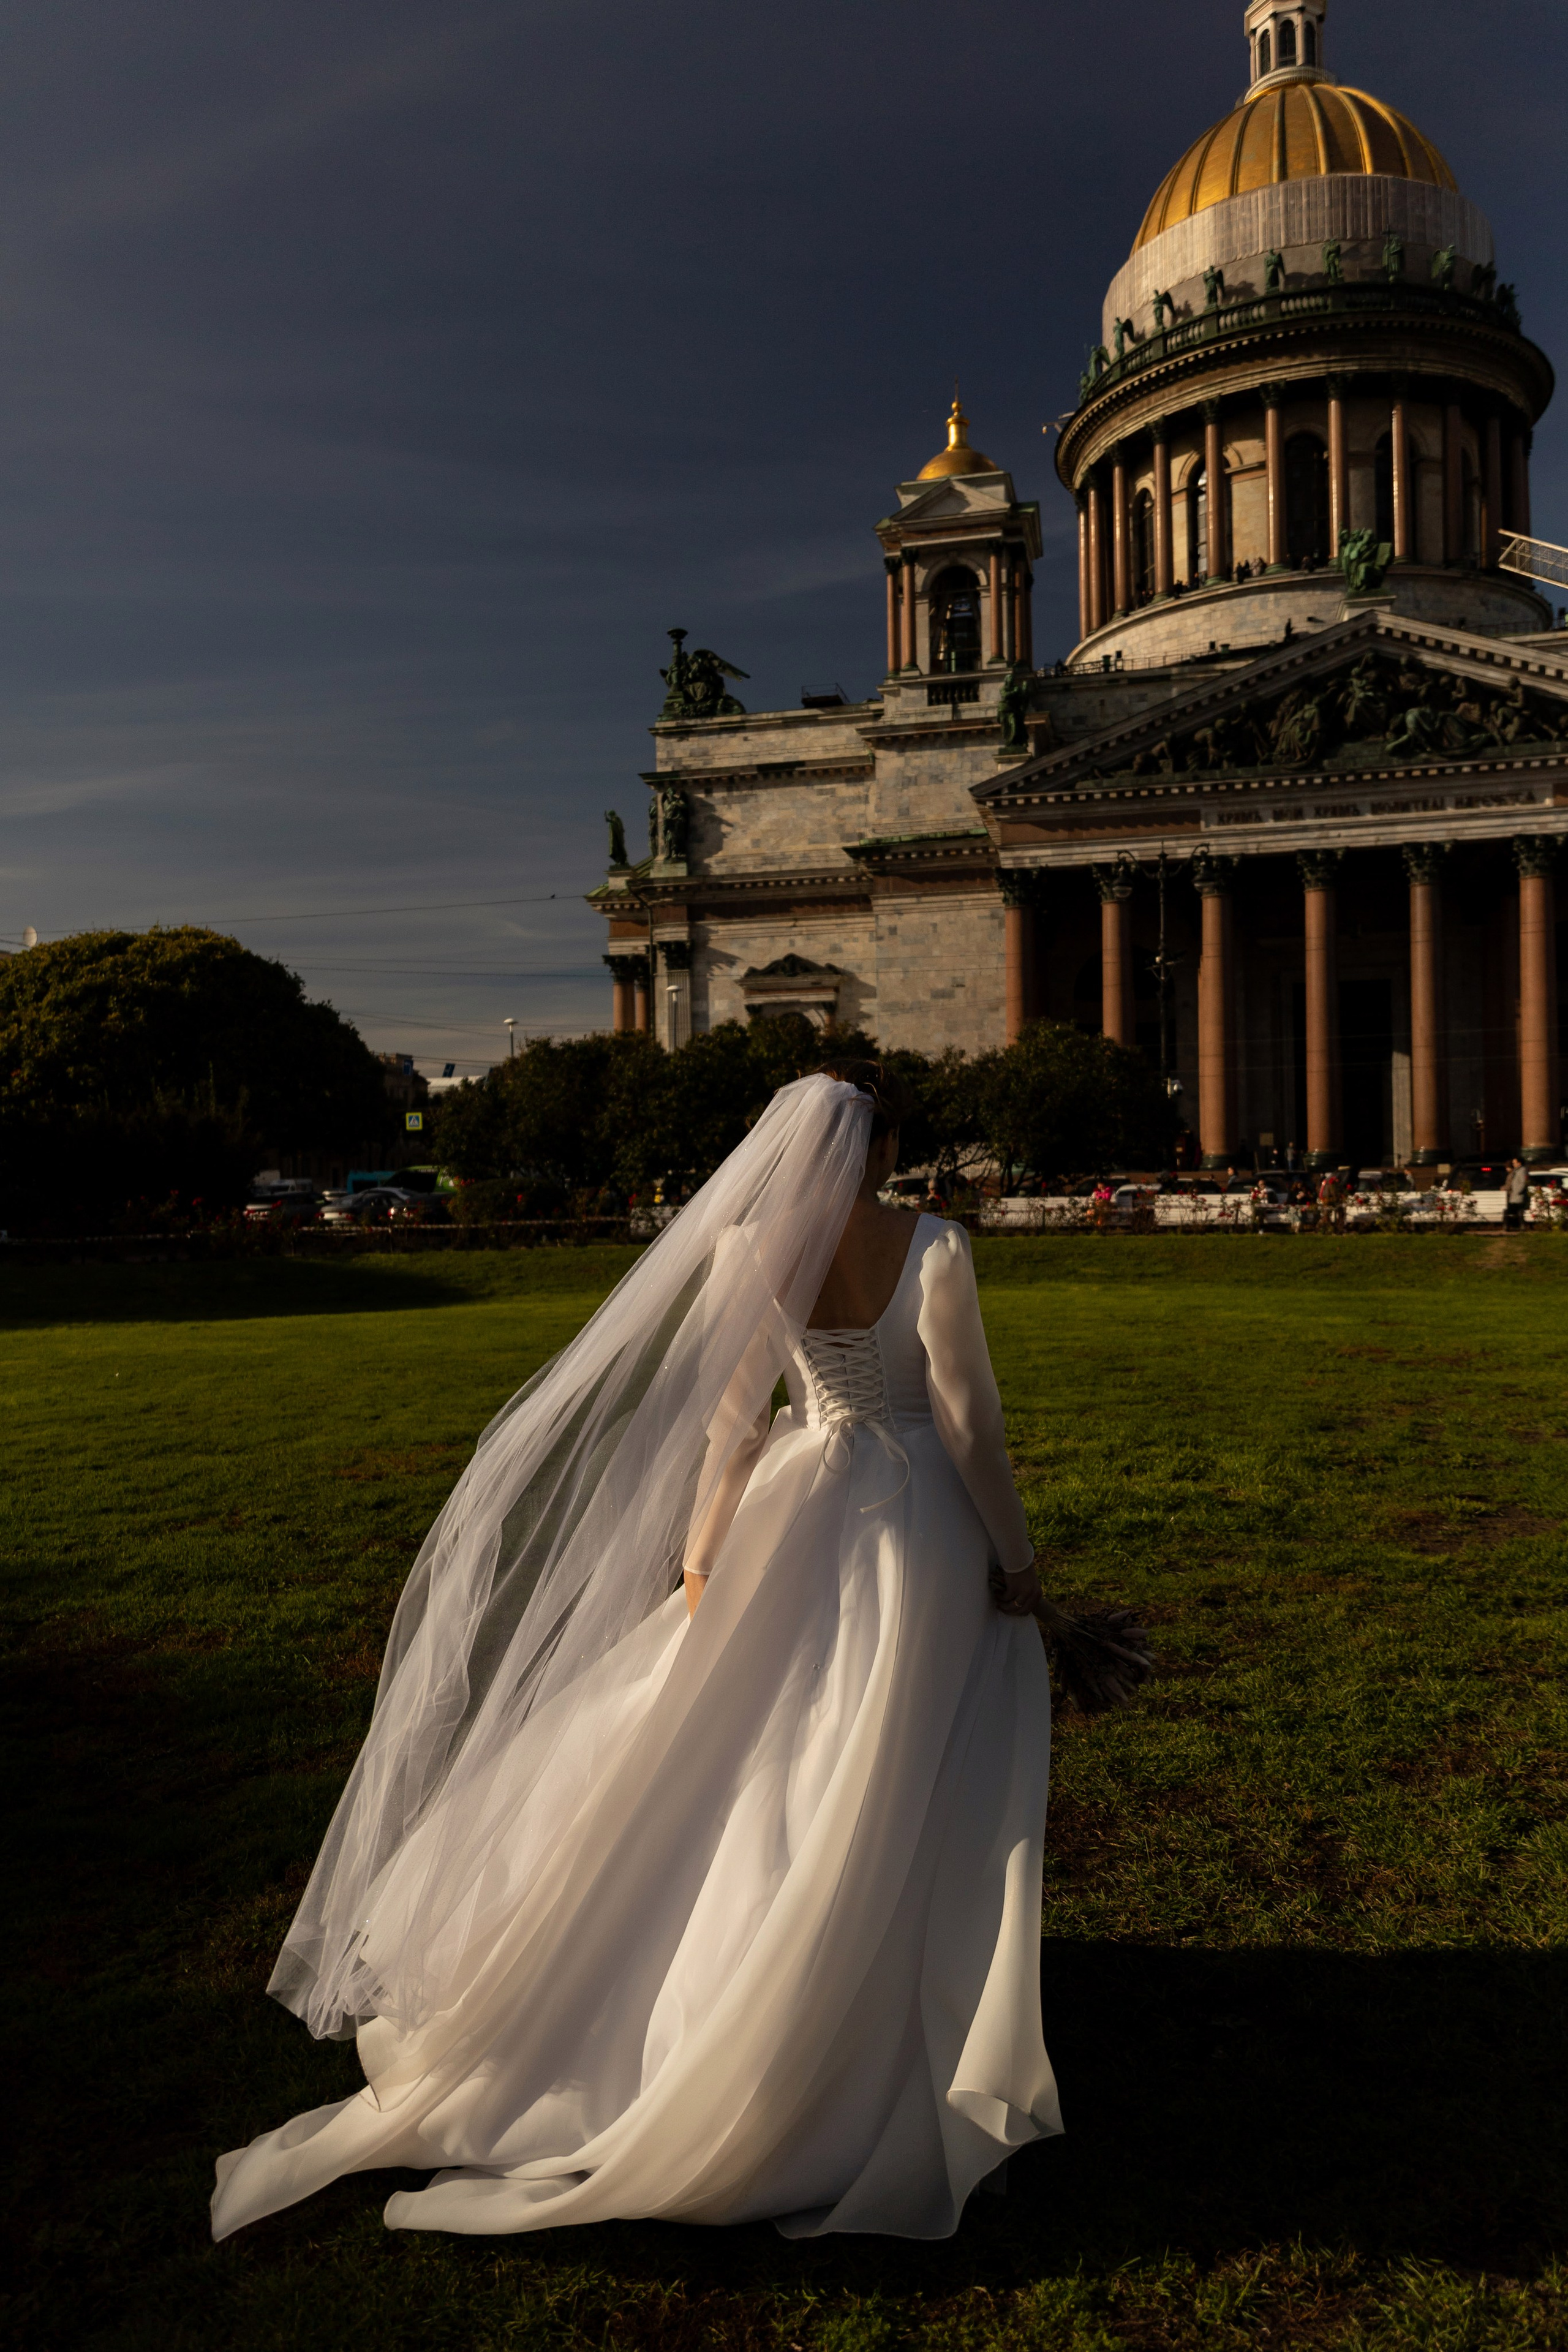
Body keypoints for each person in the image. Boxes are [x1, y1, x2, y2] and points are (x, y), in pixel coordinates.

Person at [211, 1067, 1065, 2245]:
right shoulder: (933, 1245)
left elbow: (730, 1425)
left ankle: (745, 1983)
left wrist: (706, 1563)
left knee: (765, 1746)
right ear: (883, 1152)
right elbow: (966, 1418)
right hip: (913, 1518)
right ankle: (865, 1996)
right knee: (889, 1746)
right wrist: (1015, 1560)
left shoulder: (742, 1253)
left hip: (796, 1495)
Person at [1504, 1156, 1530, 1231]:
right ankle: (1519, 1226)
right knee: (1516, 1211)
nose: (1513, 1164)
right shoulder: (1517, 1171)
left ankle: (1520, 1226)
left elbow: (1523, 1183)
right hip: (1515, 1195)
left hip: (1518, 1196)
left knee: (1516, 1210)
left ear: (1519, 1163)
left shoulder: (1522, 1171)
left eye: (1514, 1163)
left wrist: (1518, 1192)